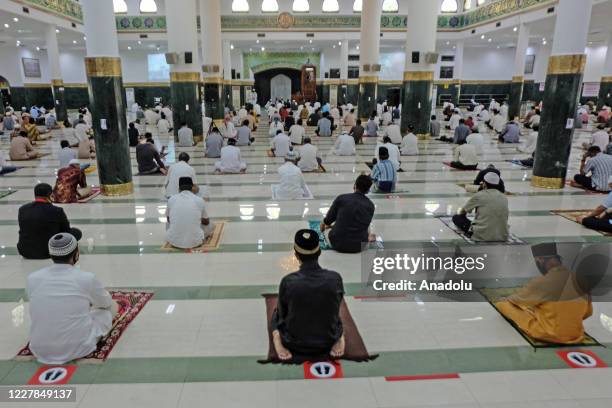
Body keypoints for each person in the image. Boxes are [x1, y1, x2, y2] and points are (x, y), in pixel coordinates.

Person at [27, 232, 118, 364]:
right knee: (111, 308)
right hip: (78, 348)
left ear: (51, 255)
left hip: (39, 349)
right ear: (76, 254)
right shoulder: (86, 278)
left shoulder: (33, 278)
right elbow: (105, 302)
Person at [495, 243, 593, 344]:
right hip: (576, 335)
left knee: (503, 305)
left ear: (540, 260)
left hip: (549, 334)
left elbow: (516, 300)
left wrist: (508, 299)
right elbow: (588, 313)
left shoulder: (542, 282)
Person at [271, 229, 345, 361]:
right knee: (335, 314)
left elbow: (282, 315)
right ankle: (339, 336)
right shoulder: (335, 278)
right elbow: (336, 306)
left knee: (276, 314)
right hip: (327, 340)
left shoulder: (288, 281)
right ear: (319, 252)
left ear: (296, 254)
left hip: (293, 343)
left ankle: (277, 338)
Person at [17, 183, 82, 259]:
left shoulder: (23, 209)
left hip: (25, 251)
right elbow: (66, 231)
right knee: (76, 232)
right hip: (49, 251)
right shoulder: (57, 211)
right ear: (50, 195)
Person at [320, 175, 376, 253]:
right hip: (359, 246)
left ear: (355, 185)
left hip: (337, 243)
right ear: (368, 190)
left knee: (326, 230)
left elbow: (328, 220)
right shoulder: (371, 205)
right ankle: (368, 237)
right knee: (366, 224)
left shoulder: (342, 198)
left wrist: (323, 225)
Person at [452, 172, 509, 242]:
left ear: (484, 184)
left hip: (482, 235)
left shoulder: (480, 195)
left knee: (456, 218)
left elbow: (463, 211)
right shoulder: (503, 197)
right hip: (502, 235)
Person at [166, 177, 214, 249]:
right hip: (195, 242)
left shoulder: (171, 199)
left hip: (174, 242)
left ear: (179, 189)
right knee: (211, 225)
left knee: (168, 224)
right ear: (192, 188)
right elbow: (206, 222)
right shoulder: (199, 200)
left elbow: (169, 219)